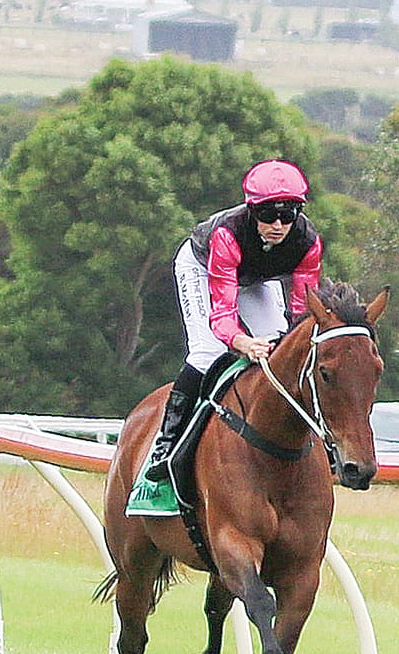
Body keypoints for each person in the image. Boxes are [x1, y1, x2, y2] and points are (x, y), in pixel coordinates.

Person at [127, 159, 324, 514]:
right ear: (252, 209)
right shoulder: (227, 234)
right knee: (206, 353)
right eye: (267, 214)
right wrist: (242, 342)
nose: (278, 225)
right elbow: (221, 314)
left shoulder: (308, 243)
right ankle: (166, 444)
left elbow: (301, 312)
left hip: (255, 279)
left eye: (288, 214)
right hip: (204, 268)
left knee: (279, 347)